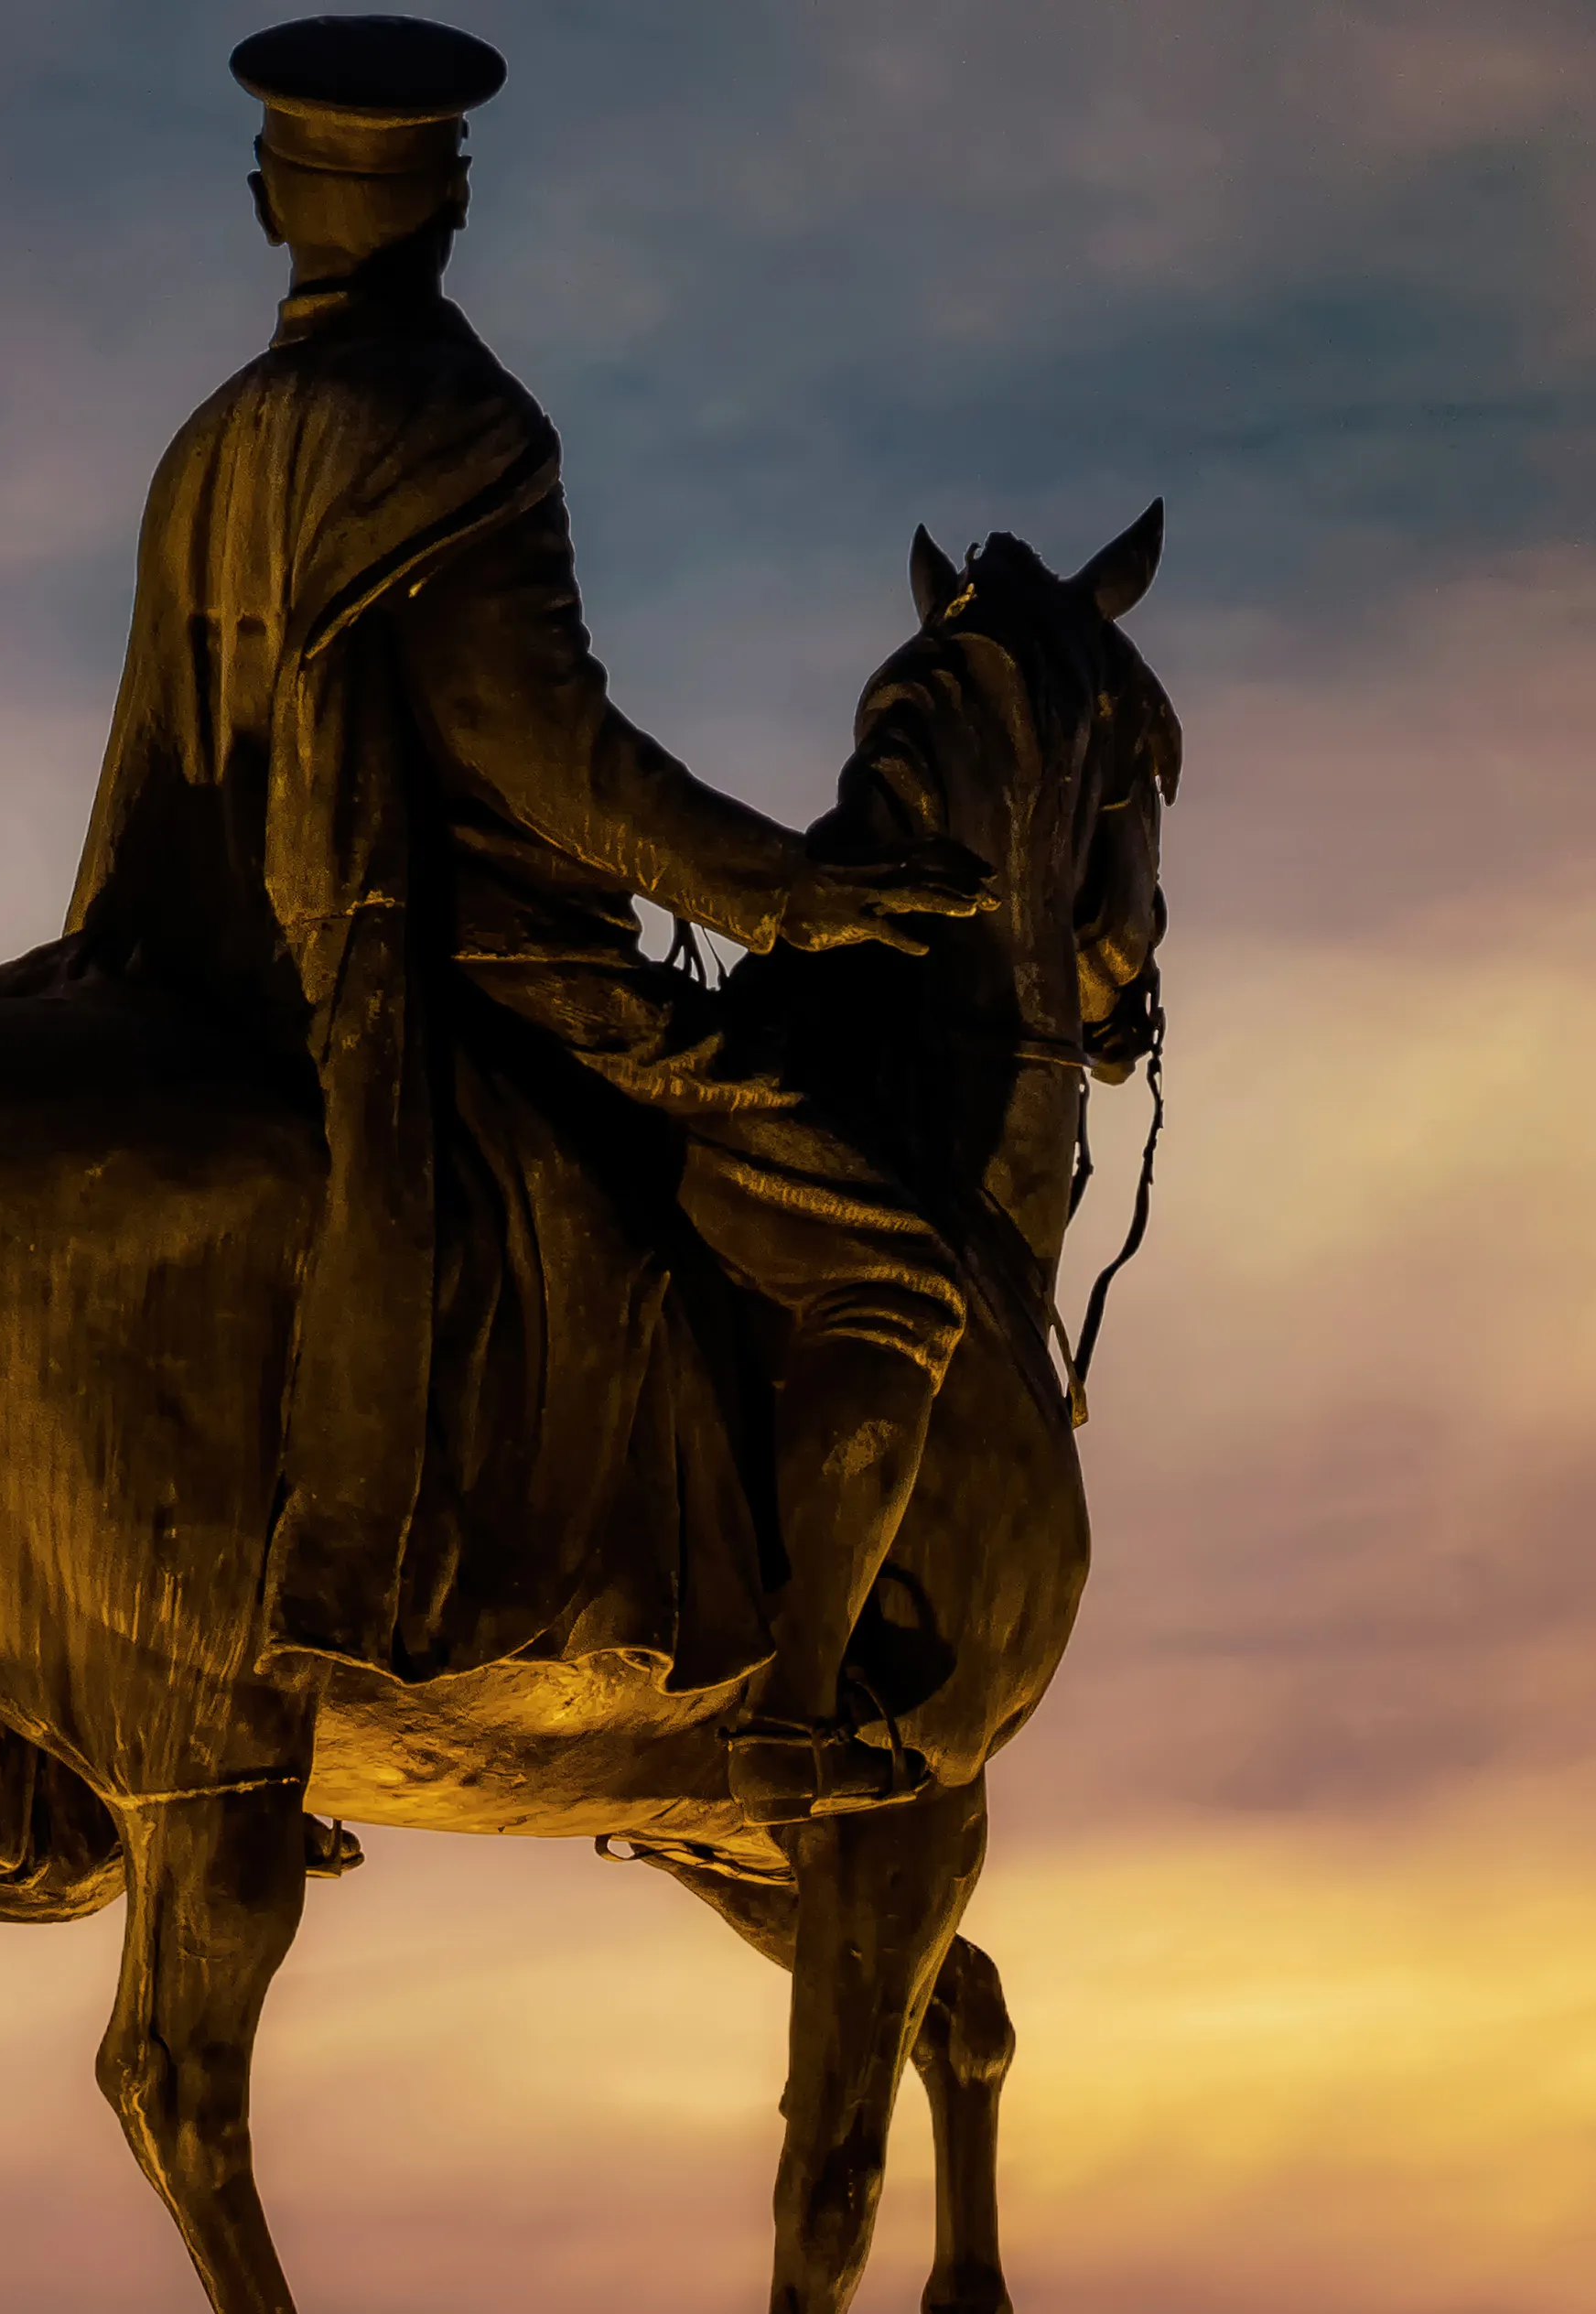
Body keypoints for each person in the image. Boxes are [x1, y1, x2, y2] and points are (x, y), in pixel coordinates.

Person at [67, 15, 992, 1810]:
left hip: (202, 954)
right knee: (887, 1264)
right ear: (451, 202)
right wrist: (785, 894)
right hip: (460, 956)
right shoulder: (459, 430)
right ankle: (800, 1704)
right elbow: (543, 752)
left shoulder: (214, 442)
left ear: (274, 198)